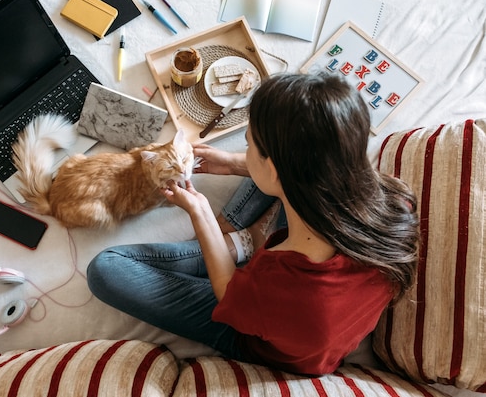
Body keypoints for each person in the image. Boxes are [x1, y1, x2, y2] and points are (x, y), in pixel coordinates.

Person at [86, 73, 419, 376]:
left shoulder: (277, 283)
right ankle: (241, 235)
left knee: (106, 269)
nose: (242, 151)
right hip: (308, 296)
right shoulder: (393, 202)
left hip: (258, 330)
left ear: (274, 168)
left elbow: (227, 289)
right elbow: (306, 174)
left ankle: (234, 242)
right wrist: (234, 164)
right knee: (296, 135)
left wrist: (201, 215)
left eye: (248, 145)